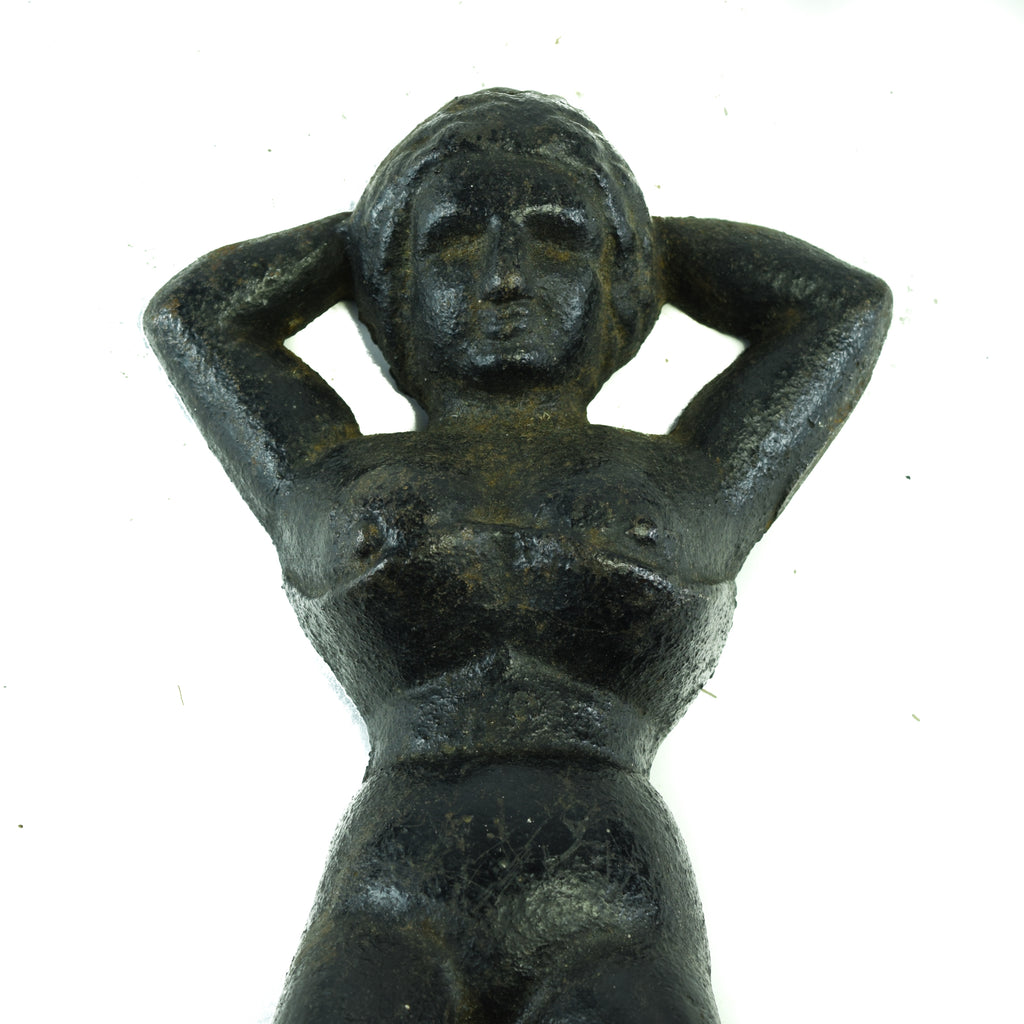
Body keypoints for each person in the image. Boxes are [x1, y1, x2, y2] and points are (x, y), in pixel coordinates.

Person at [145, 88, 891, 1023]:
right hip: (392, 887)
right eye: (455, 241)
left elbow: (840, 308)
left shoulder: (695, 477)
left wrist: (641, 243)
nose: (505, 276)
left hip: (611, 891)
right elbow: (195, 316)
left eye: (558, 239)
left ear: (617, 277)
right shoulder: (329, 472)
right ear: (395, 281)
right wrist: (367, 236)